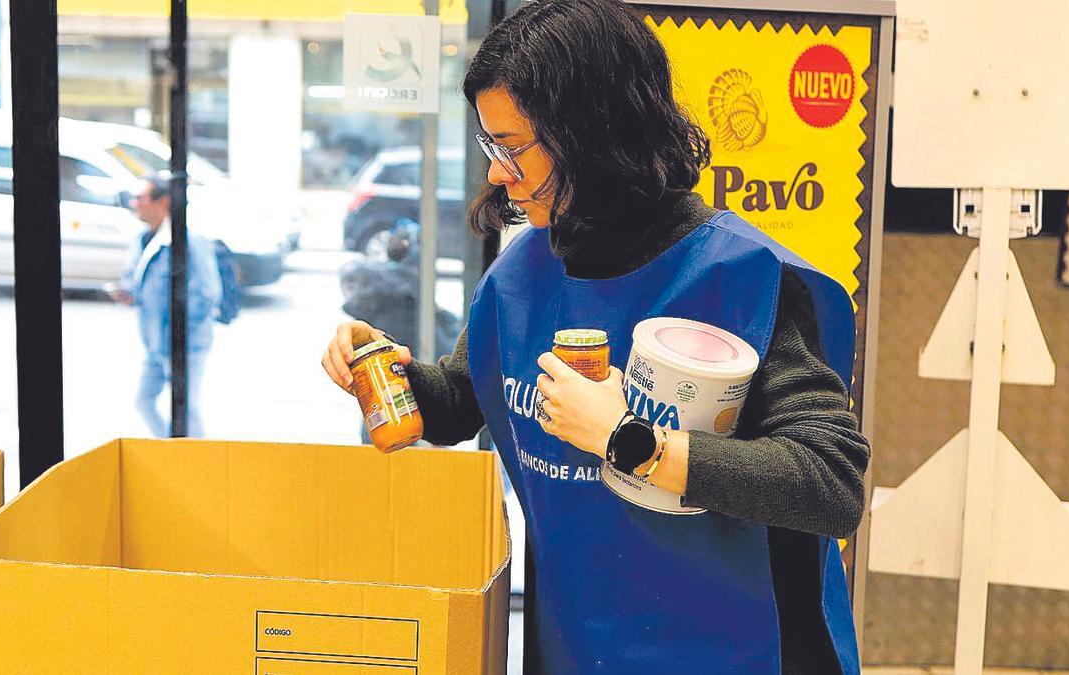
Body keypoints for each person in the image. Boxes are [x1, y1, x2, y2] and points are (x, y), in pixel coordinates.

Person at [323, 1, 870, 672]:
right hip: (582, 644)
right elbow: (467, 396)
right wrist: (382, 369)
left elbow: (830, 484)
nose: (497, 172)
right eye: (490, 147)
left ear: (592, 135)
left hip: (732, 648)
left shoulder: (746, 280)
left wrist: (631, 439)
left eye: (513, 147)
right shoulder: (522, 274)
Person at [113, 173, 221, 438]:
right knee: (144, 400)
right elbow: (138, 282)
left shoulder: (188, 243)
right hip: (154, 343)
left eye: (141, 198)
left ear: (162, 202)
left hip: (183, 345)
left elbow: (207, 293)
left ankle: (196, 462)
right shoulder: (142, 240)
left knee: (186, 409)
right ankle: (169, 451)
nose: (135, 203)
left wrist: (180, 331)